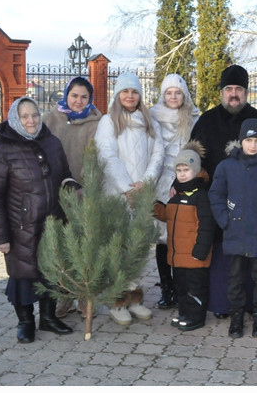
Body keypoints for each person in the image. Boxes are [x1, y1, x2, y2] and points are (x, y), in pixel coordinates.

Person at [190, 64, 257, 320]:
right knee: (221, 254)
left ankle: (253, 304)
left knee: (255, 256)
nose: (233, 94)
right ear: (221, 92)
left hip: (255, 204)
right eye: (228, 89)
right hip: (217, 200)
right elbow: (194, 157)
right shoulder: (206, 120)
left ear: (246, 92)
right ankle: (222, 303)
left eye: (238, 89)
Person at [0, 96, 78, 343]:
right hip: (20, 228)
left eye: (35, 115)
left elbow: (65, 176)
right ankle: (25, 322)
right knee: (23, 276)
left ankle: (47, 318)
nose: (31, 121)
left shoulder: (52, 143)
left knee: (51, 271)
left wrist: (74, 191)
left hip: (53, 223)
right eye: (25, 116)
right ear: (15, 118)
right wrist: (0, 238)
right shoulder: (2, 151)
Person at [209, 118, 257, 338]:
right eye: (248, 140)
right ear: (241, 140)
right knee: (235, 277)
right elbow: (216, 194)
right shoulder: (227, 166)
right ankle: (236, 319)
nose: (252, 145)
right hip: (235, 231)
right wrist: (225, 220)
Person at [95, 72, 164, 326]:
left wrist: (145, 182)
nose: (130, 96)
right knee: (119, 247)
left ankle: (134, 298)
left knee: (139, 247)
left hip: (143, 193)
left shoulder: (149, 122)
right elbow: (108, 156)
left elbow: (159, 153)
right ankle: (117, 300)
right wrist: (127, 188)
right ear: (117, 94)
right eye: (125, 91)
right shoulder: (108, 122)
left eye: (134, 92)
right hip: (119, 195)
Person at [42, 76, 102, 319]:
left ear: (90, 99)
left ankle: (85, 297)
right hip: (53, 194)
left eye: (84, 97)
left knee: (84, 246)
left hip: (83, 193)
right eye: (74, 95)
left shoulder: (98, 123)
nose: (78, 101)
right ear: (66, 94)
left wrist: (90, 188)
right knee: (59, 248)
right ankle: (63, 295)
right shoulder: (49, 120)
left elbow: (101, 157)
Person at [149, 73, 201, 311]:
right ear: (163, 95)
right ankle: (166, 288)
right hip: (161, 182)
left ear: (184, 95)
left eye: (177, 93)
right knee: (163, 239)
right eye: (168, 93)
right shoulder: (152, 117)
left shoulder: (193, 117)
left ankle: (183, 288)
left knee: (182, 237)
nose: (173, 97)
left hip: (186, 182)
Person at [153, 141, 214, 331]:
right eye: (179, 170)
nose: (182, 173)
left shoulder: (201, 196)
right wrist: (152, 206)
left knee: (195, 288)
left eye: (186, 169)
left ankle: (196, 317)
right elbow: (167, 215)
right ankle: (184, 313)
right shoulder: (176, 195)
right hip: (177, 256)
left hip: (195, 255)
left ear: (195, 171)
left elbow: (207, 225)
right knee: (181, 287)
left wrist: (201, 250)